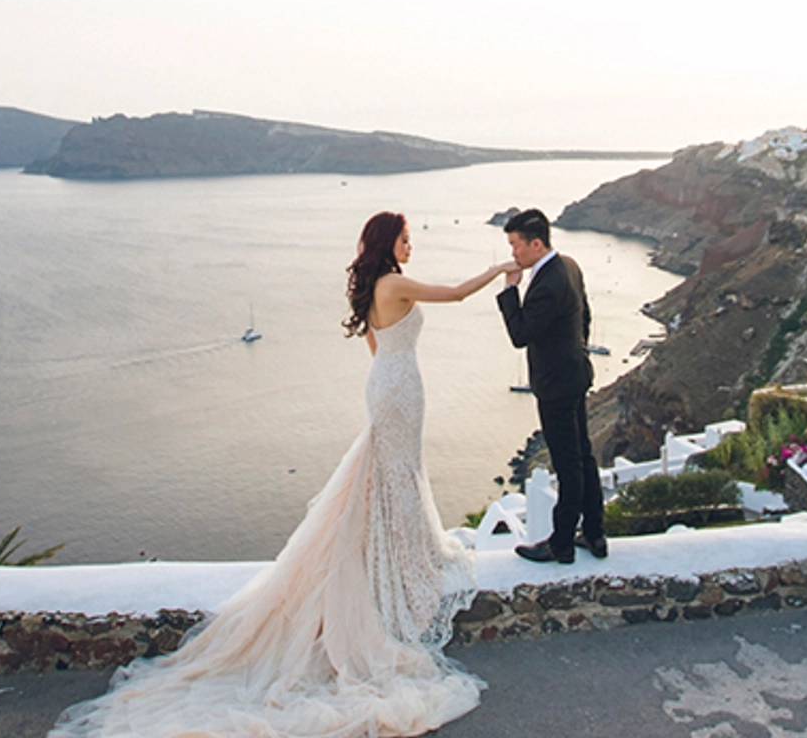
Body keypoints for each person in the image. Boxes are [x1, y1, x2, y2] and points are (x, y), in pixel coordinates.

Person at [50, 211, 516, 738]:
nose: (411, 246)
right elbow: (453, 294)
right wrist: (501, 269)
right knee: (397, 475)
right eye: (407, 239)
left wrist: (392, 376)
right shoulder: (396, 282)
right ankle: (408, 566)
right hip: (401, 386)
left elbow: (376, 347)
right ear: (390, 244)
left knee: (388, 475)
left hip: (385, 380)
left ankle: (400, 559)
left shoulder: (371, 288)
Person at [496, 208, 607, 564]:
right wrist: (575, 353)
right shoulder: (569, 267)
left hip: (556, 384)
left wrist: (510, 292)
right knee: (583, 456)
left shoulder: (545, 283)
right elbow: (584, 316)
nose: (513, 254)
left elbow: (521, 335)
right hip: (575, 374)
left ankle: (560, 544)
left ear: (536, 243)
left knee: (567, 463)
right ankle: (594, 533)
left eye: (515, 245)